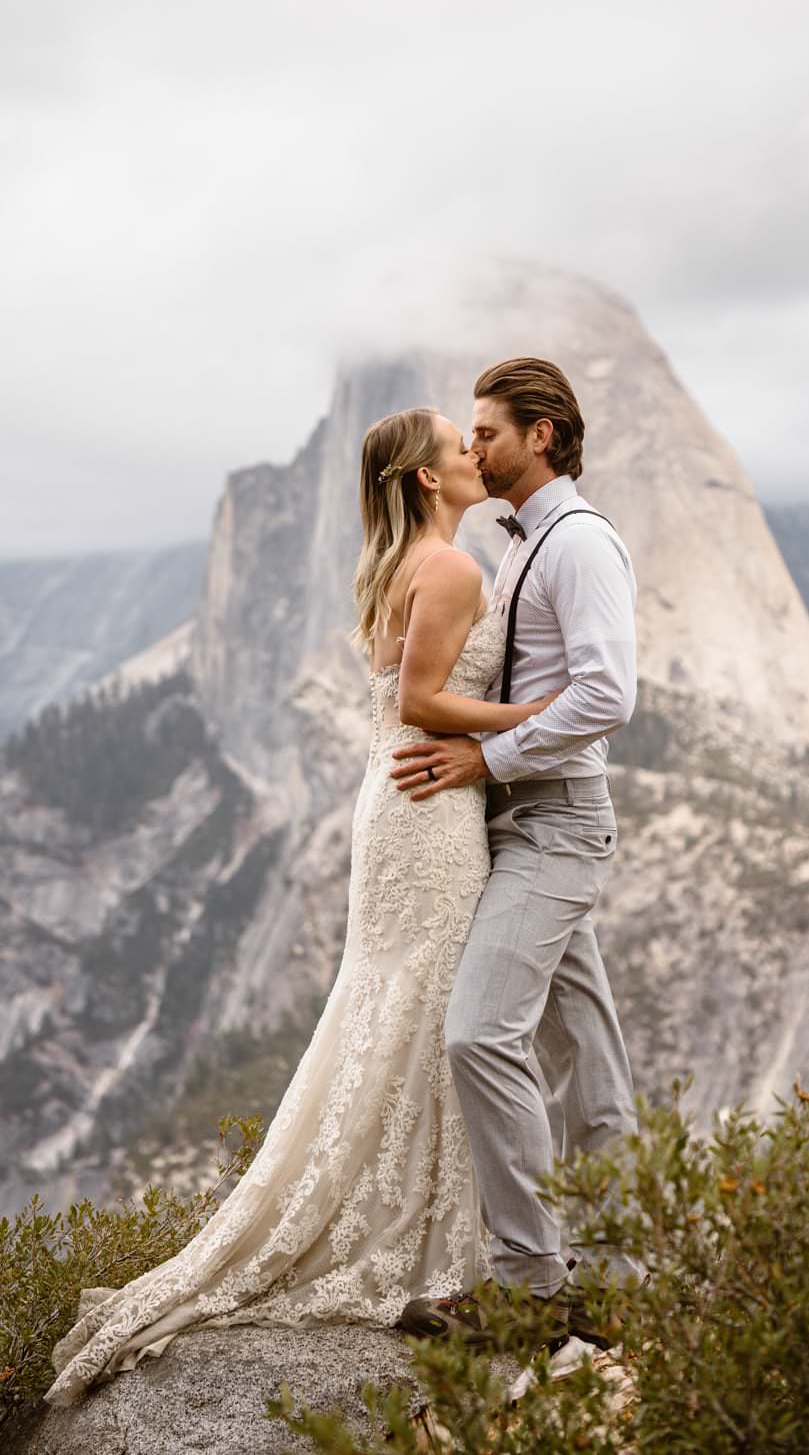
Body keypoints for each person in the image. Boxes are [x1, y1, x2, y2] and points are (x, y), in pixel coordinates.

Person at [43, 406, 558, 1408]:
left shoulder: (402, 562)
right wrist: (533, 718)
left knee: (400, 1008)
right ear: (421, 478)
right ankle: (431, 1250)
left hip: (399, 807)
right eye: (458, 447)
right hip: (430, 809)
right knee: (429, 1011)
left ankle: (422, 1234)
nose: (472, 455)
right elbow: (417, 702)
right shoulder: (449, 569)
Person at [393, 358, 643, 1350]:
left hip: (553, 817)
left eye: (487, 430)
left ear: (542, 434)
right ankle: (624, 1276)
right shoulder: (529, 544)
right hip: (530, 817)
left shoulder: (578, 544)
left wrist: (484, 755)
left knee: (479, 1035)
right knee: (585, 1052)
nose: (472, 446)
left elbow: (606, 696)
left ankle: (529, 1287)